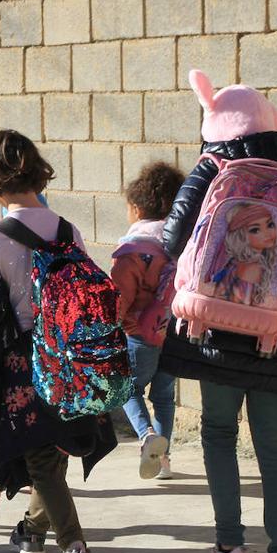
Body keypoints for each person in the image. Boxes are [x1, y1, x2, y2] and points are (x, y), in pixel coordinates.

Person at [161, 70, 277, 553]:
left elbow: (174, 233)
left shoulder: (214, 164)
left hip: (216, 327)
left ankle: (229, 548)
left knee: (217, 434)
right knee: (275, 447)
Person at [0, 129, 116, 553]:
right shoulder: (67, 229)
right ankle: (33, 533)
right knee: (53, 451)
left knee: (39, 457)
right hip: (71, 355)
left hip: (24, 361)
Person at [110, 161, 185, 480]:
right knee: (164, 396)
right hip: (176, 334)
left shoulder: (134, 251)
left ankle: (146, 437)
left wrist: (115, 327)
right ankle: (164, 461)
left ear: (137, 208)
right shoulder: (181, 245)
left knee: (127, 389)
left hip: (139, 335)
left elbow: (119, 298)